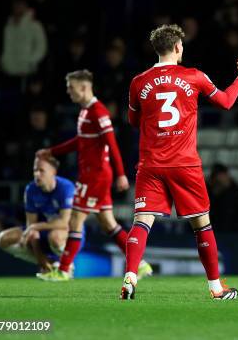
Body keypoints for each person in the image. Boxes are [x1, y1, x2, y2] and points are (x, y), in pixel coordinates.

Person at [121, 24, 238, 300]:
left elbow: (133, 121)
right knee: (202, 225)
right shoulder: (194, 76)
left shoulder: (138, 81)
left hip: (151, 164)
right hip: (184, 164)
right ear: (177, 48)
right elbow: (226, 102)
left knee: (141, 222)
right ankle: (216, 288)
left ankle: (131, 276)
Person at [36, 70, 152, 281]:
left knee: (75, 221)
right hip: (93, 174)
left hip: (96, 176)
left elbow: (112, 143)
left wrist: (121, 174)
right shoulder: (84, 111)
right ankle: (141, 264)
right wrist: (52, 152)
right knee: (109, 224)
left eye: (71, 88)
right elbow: (80, 142)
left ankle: (63, 270)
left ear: (83, 87)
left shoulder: (99, 112)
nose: (68, 92)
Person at [0, 157, 76, 274]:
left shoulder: (66, 187)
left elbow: (64, 222)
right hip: (43, 231)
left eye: (41, 170)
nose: (37, 174)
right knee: (3, 239)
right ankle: (49, 264)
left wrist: (34, 228)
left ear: (53, 172)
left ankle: (67, 264)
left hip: (68, 233)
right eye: (35, 170)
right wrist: (33, 238)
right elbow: (31, 224)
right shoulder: (31, 189)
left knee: (55, 237)